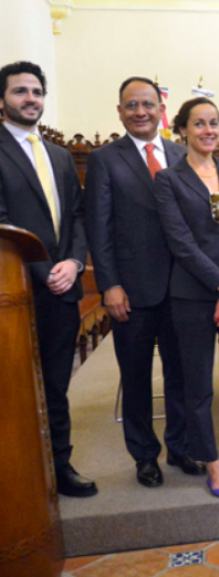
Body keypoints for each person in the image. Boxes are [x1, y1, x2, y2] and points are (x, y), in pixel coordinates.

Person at [84, 76, 204, 488]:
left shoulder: (180, 153)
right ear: (120, 112)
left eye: (148, 104)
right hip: (131, 290)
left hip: (184, 288)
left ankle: (181, 445)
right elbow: (99, 229)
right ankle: (144, 455)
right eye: (131, 105)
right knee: (135, 376)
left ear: (161, 110)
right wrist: (109, 285)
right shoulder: (105, 159)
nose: (140, 112)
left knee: (182, 373)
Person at [154, 98, 219, 498]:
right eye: (199, 124)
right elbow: (181, 244)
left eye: (214, 123)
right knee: (197, 386)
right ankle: (212, 464)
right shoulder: (168, 179)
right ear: (182, 130)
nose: (208, 130)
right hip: (192, 296)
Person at [0, 61, 96, 497]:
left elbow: (77, 217)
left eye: (37, 92)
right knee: (15, 385)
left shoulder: (58, 156)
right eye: (20, 91)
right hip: (14, 291)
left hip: (62, 288)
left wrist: (74, 263)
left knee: (56, 384)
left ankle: (60, 467)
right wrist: (44, 269)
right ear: (2, 99)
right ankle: (19, 473)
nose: (30, 99)